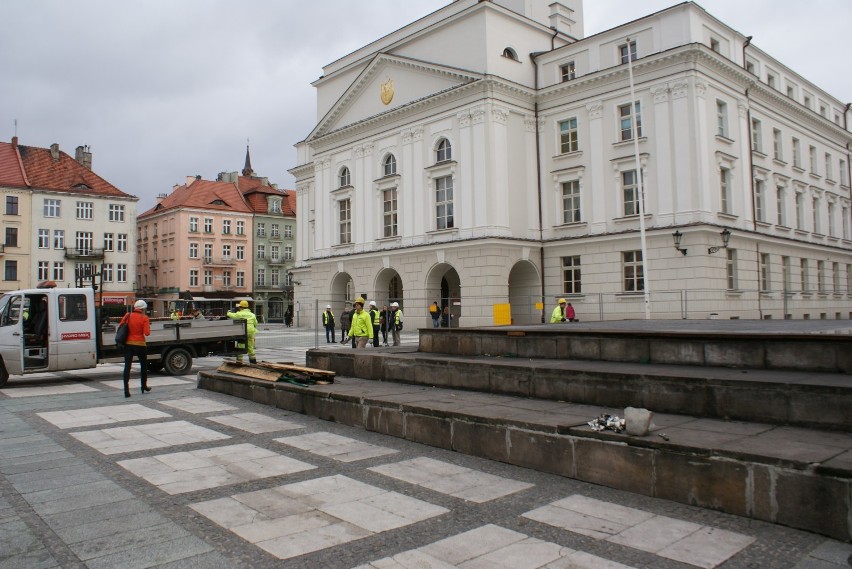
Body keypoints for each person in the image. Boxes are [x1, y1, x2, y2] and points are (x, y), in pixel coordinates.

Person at [122, 300, 151, 398]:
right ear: (142, 309)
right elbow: (147, 333)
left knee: (127, 367)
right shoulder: (144, 317)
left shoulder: (128, 315)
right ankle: (144, 386)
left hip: (128, 344)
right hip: (140, 345)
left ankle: (126, 390)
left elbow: (121, 326)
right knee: (143, 366)